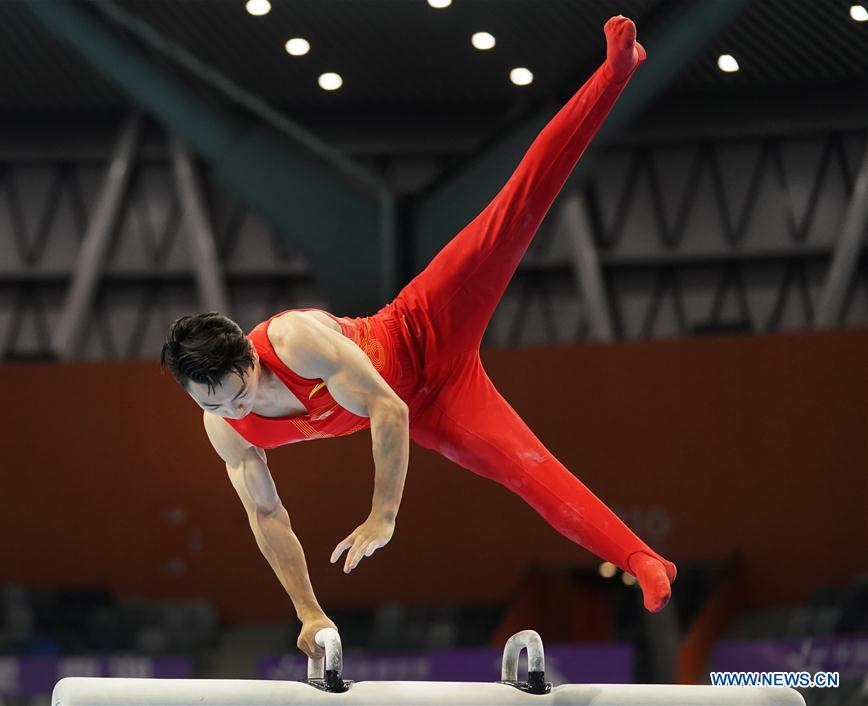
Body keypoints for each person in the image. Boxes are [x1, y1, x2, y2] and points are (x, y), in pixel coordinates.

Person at [161, 15, 676, 659]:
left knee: (516, 207)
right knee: (528, 472)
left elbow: (385, 406)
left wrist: (383, 515)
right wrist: (309, 611)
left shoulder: (293, 340)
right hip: (440, 404)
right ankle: (642, 558)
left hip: (424, 325)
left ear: (248, 358)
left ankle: (614, 73)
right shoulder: (223, 428)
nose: (231, 410)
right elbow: (267, 516)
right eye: (211, 404)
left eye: (236, 393)